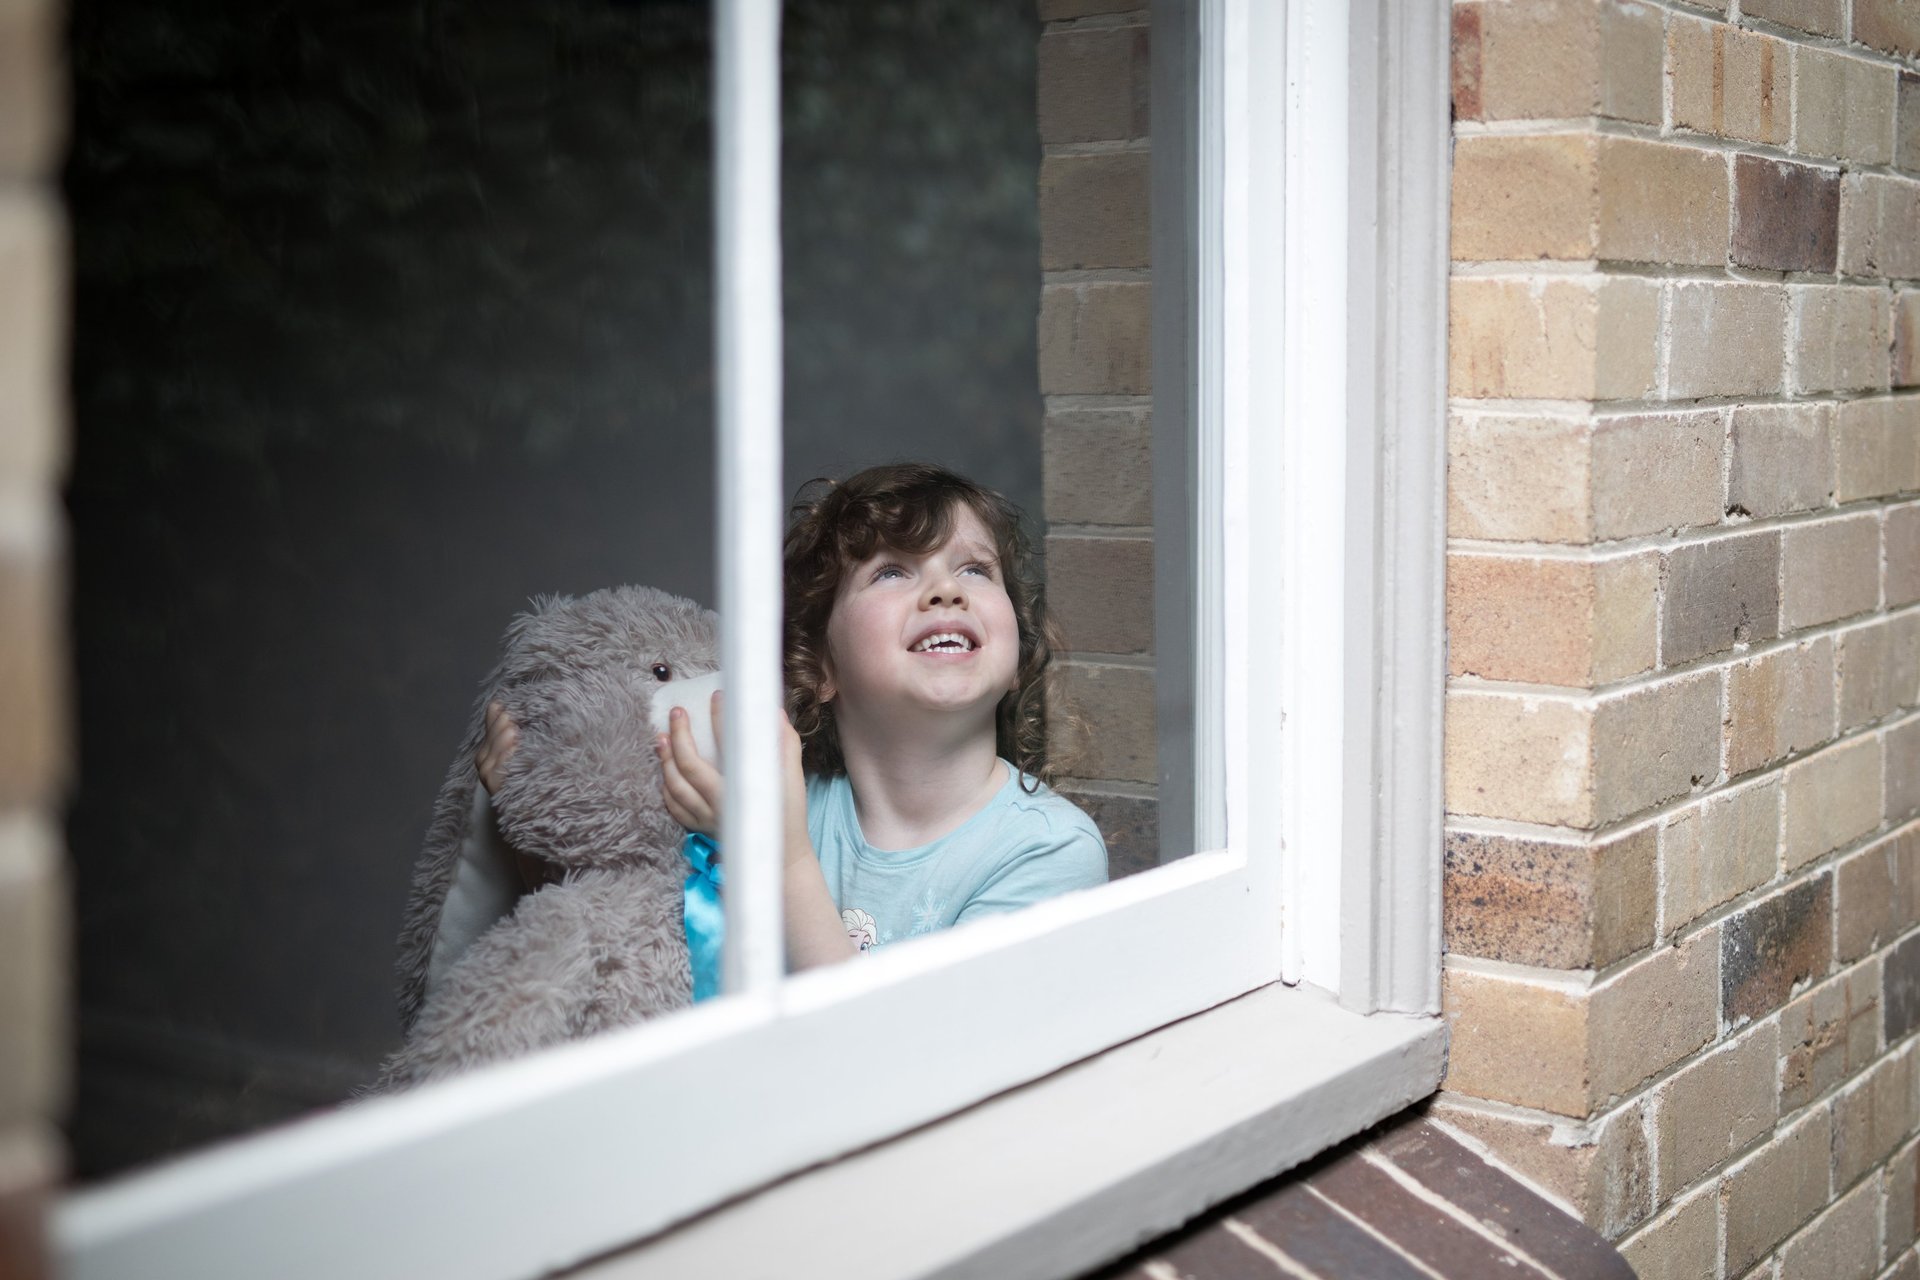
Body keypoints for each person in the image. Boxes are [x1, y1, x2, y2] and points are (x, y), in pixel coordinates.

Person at [478, 462, 1108, 973]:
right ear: (820, 668)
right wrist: (534, 825)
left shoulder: (1050, 851)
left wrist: (774, 857)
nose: (948, 589)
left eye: (976, 568)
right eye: (891, 571)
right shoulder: (778, 803)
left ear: (1018, 649)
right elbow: (635, 958)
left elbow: (905, 1063)